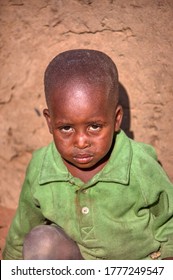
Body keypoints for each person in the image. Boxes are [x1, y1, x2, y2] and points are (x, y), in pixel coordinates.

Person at [3, 49, 173, 260]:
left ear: (117, 118)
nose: (81, 141)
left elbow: (169, 221)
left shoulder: (139, 165)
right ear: (49, 121)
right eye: (66, 128)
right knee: (41, 241)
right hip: (80, 265)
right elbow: (22, 228)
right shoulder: (41, 168)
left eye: (94, 126)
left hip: (135, 268)